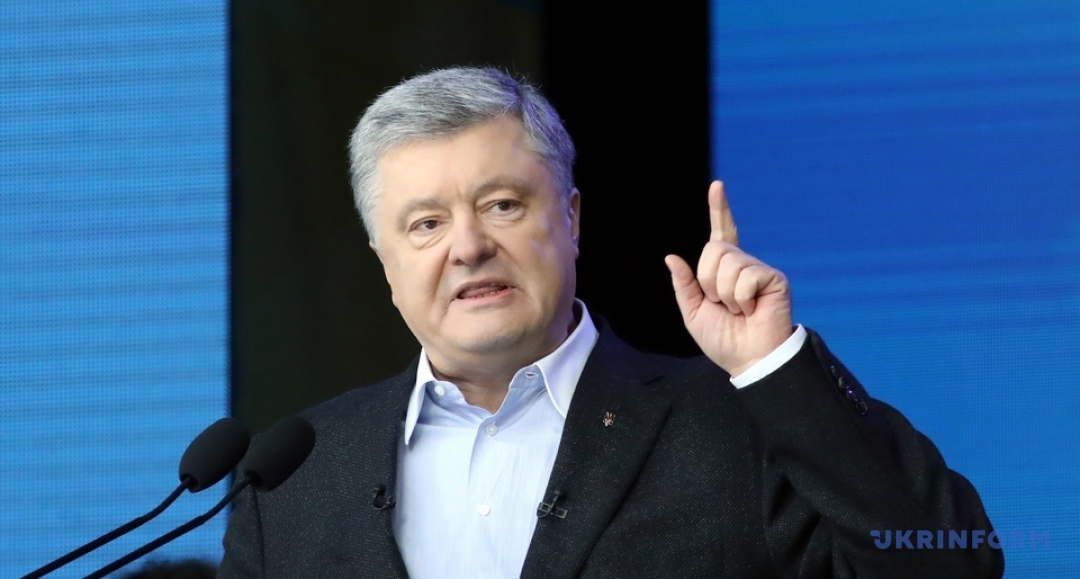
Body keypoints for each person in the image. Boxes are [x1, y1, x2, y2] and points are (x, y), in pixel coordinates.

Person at [219, 67, 1003, 578]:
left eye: (502, 205)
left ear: (572, 218)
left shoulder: (736, 428)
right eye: (425, 224)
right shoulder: (292, 478)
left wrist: (777, 368)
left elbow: (952, 563)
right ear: (384, 261)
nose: (468, 246)